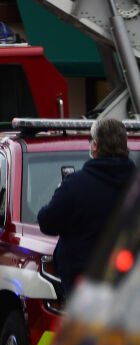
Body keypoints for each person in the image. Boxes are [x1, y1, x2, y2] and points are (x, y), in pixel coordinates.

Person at [38, 114, 137, 289]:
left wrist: (60, 190)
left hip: (85, 283)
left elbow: (47, 222)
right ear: (124, 146)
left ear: (95, 146)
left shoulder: (75, 185)